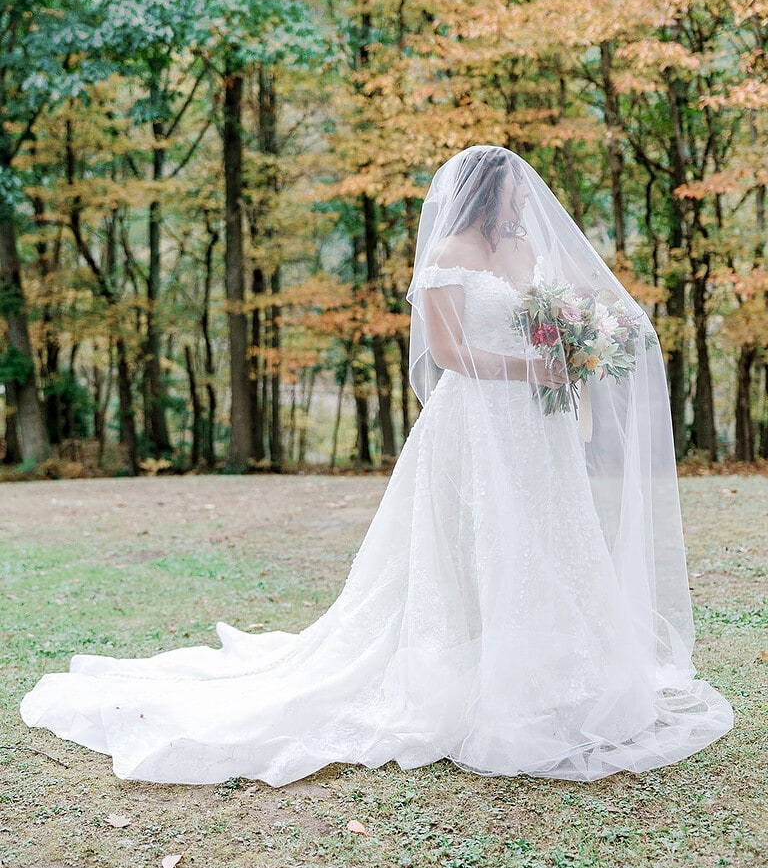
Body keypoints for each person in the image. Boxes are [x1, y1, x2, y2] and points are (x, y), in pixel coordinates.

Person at [21, 146, 733, 786]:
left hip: (534, 428)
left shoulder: (522, 252)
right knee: (473, 542)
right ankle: (478, 665)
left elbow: (544, 316)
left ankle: (553, 667)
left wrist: (570, 345)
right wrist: (533, 367)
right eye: (516, 190)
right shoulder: (451, 249)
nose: (526, 200)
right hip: (478, 422)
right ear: (489, 192)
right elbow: (450, 355)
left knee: (545, 539)